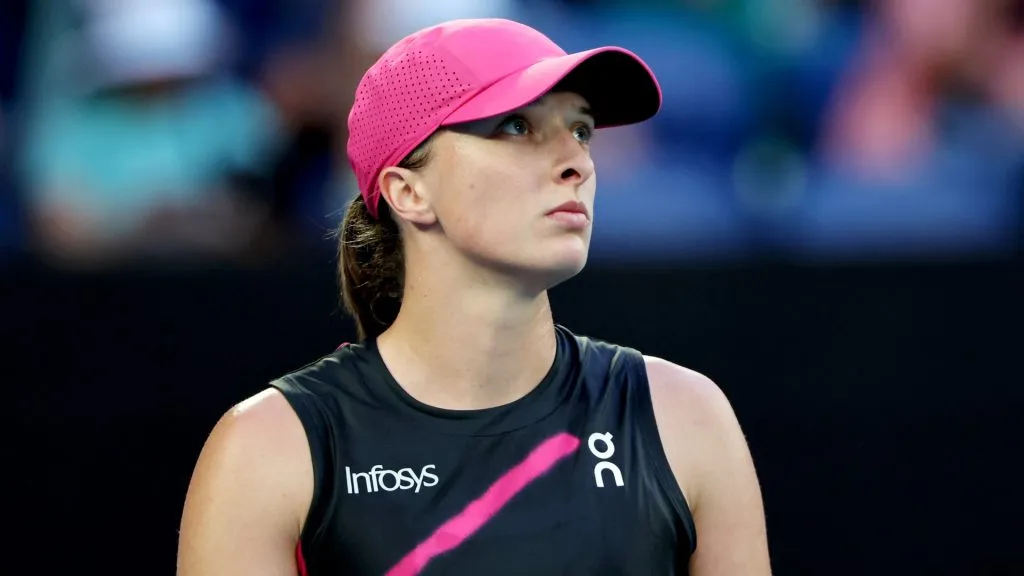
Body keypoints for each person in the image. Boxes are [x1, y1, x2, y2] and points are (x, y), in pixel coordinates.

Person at [177, 18, 771, 576]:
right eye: (516, 126)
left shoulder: (687, 418)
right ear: (408, 192)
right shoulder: (267, 449)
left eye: (581, 130)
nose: (577, 164)